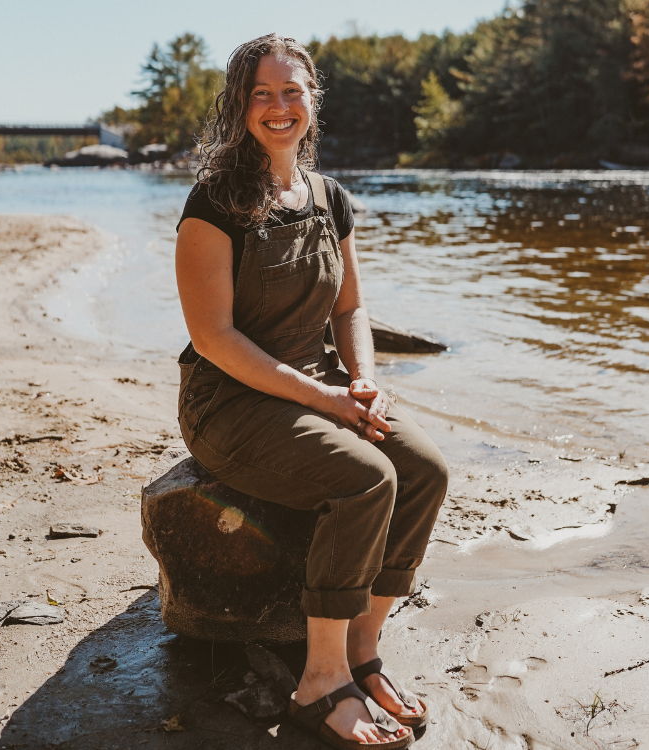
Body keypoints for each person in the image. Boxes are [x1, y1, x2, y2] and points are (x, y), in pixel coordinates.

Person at [175, 33, 448, 749]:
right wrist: (325, 402)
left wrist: (362, 379)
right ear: (238, 107)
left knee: (423, 470)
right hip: (230, 402)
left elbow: (350, 308)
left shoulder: (330, 197)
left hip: (320, 383)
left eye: (291, 91)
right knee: (365, 479)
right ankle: (319, 683)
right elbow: (214, 339)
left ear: (312, 101)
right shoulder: (213, 203)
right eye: (260, 94)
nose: (277, 106)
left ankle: (362, 653)